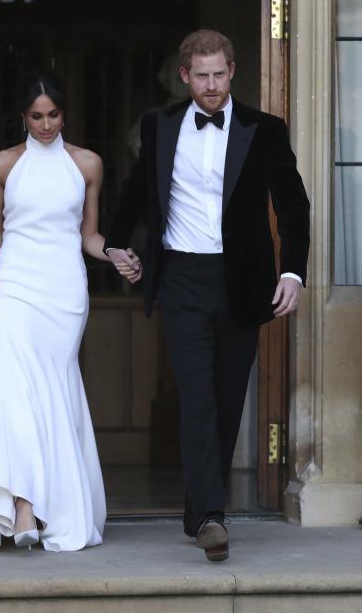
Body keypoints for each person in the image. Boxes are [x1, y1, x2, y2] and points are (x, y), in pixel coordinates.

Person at [103, 29, 310, 561]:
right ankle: (214, 516)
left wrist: (293, 274)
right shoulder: (160, 125)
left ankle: (200, 510)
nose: (212, 85)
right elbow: (137, 191)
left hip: (242, 283)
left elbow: (292, 205)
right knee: (195, 398)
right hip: (181, 280)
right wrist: (114, 245)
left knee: (225, 400)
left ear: (233, 72)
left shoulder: (264, 130)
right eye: (202, 75)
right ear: (185, 76)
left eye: (220, 74)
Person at [0, 72, 109, 552]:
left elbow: (88, 235)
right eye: (37, 115)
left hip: (64, 293)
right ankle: (24, 506)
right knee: (12, 392)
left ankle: (48, 504)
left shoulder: (88, 164)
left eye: (53, 114)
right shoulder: (2, 164)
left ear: (64, 114)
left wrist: (113, 253)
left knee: (51, 394)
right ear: (22, 117)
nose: (46, 124)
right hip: (14, 286)